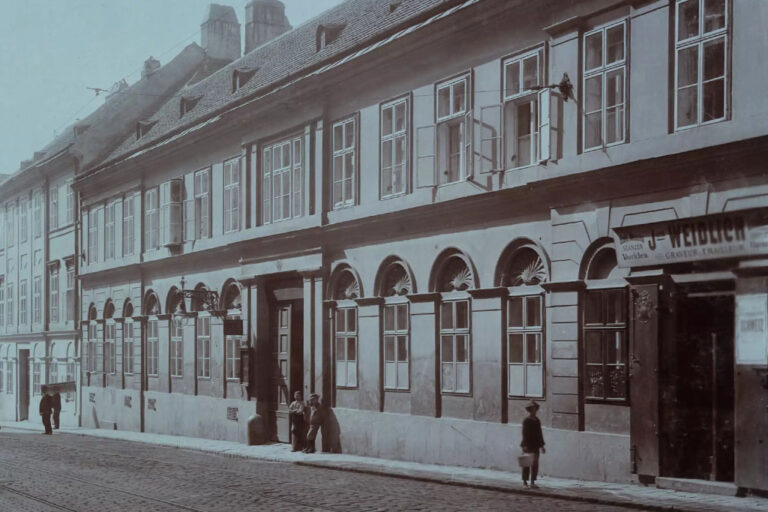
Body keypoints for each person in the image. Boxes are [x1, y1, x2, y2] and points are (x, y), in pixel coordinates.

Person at [520, 400, 545, 488]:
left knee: (535, 464)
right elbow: (524, 434)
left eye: (535, 409)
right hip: (528, 445)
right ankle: (525, 482)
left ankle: (533, 482)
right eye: (532, 409)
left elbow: (540, 433)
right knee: (526, 463)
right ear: (529, 410)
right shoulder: (526, 421)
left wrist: (542, 446)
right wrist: (525, 445)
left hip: (536, 445)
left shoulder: (537, 420)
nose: (534, 410)